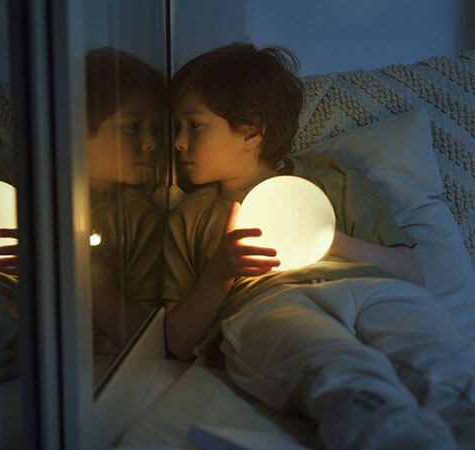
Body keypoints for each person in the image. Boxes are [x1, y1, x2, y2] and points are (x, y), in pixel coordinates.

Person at [164, 42, 475, 449]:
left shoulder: (333, 180)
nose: (178, 143)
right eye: (177, 129)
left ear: (251, 129)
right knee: (344, 378)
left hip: (373, 288)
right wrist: (222, 270)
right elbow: (179, 342)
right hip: (269, 303)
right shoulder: (190, 217)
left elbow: (410, 274)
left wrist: (330, 240)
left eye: (194, 125)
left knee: (441, 365)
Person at [0, 48, 166, 363]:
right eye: (133, 126)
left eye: (157, 130)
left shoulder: (137, 216)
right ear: (75, 129)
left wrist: (80, 274)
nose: (152, 142)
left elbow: (144, 333)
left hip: (13, 321)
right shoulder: (12, 186)